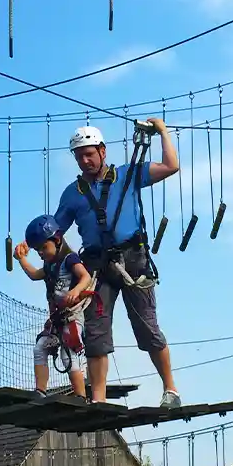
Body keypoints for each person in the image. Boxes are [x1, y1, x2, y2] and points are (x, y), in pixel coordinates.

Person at [54, 118, 181, 408]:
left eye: (89, 154)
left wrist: (162, 131)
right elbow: (56, 234)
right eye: (79, 156)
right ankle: (97, 399)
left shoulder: (127, 175)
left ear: (103, 152)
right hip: (97, 265)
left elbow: (171, 166)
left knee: (147, 327)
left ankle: (170, 389)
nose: (85, 161)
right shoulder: (72, 194)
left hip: (133, 260)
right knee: (96, 333)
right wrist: (44, 249)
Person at [14, 214, 93, 401]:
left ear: (57, 240)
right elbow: (34, 274)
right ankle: (40, 391)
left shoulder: (70, 259)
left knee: (69, 353)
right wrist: (21, 259)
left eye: (43, 248)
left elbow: (86, 277)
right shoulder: (49, 267)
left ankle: (80, 396)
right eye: (37, 251)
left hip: (72, 316)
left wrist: (76, 290)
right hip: (58, 319)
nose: (41, 253)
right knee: (40, 347)